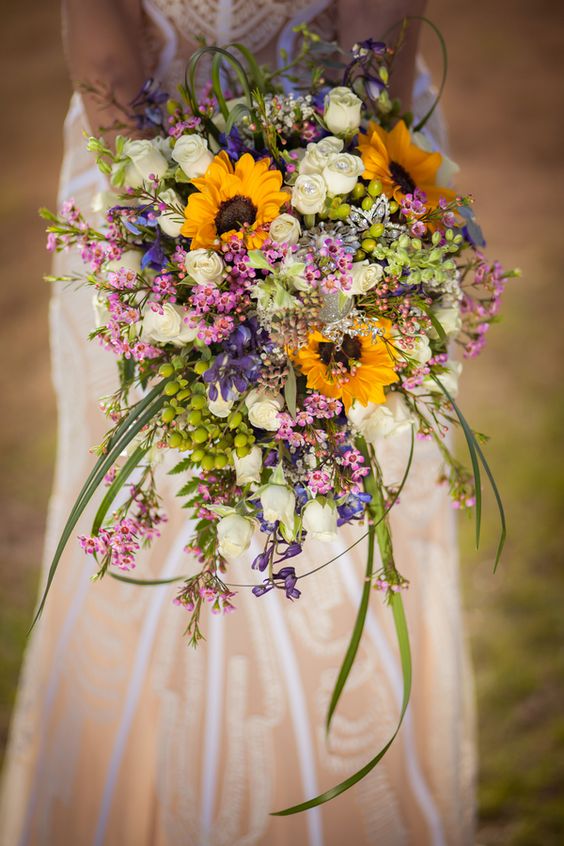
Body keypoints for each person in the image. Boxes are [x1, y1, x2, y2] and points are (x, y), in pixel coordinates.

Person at [0, 2, 475, 844]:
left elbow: (376, 44)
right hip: (169, 191)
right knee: (198, 513)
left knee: (312, 511)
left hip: (304, 173)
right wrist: (192, 277)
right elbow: (107, 49)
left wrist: (331, 249)